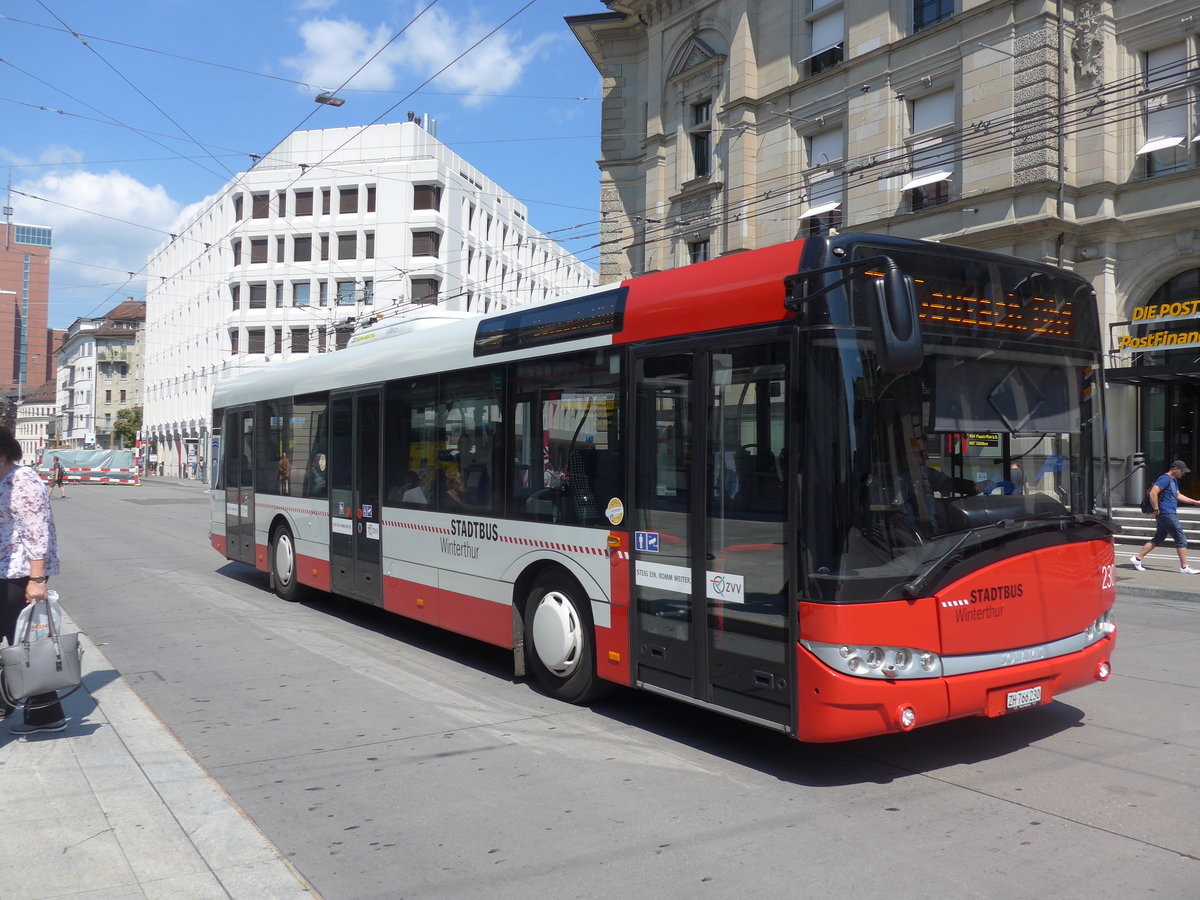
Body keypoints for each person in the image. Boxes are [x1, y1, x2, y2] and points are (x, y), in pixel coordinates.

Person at [0, 426, 65, 734]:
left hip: (21, 572)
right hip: (6, 570)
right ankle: (10, 700)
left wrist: (37, 580)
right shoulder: (4, 479)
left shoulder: (23, 482)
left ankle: (44, 715)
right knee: (21, 642)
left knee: (26, 644)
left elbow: (36, 533)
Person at [1131, 459, 1200, 574]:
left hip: (1168, 513)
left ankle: (1137, 558)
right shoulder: (1165, 479)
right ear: (1175, 469)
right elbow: (1153, 492)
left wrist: (1194, 502)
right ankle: (1184, 567)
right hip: (1166, 513)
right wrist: (1156, 509)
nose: (1183, 474)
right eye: (1182, 472)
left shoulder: (1174, 480)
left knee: (1158, 538)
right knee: (1181, 539)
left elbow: (1178, 495)